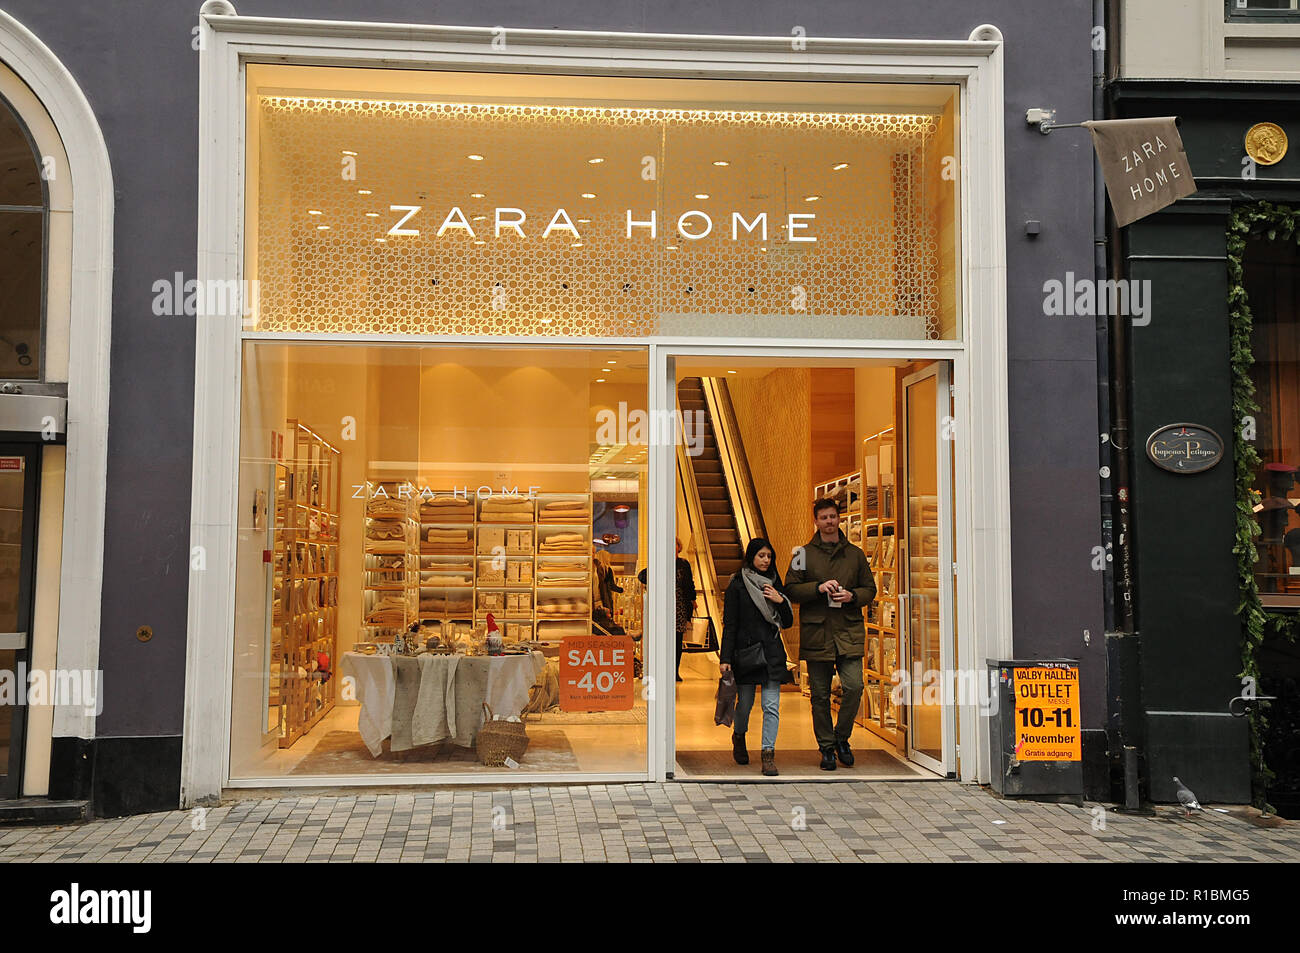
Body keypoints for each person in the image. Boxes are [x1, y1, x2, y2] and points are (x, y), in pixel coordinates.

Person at [784, 497, 876, 771]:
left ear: (839, 518)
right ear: (816, 521)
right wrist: (818, 588)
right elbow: (790, 588)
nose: (829, 522)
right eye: (823, 517)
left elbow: (870, 590)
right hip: (817, 632)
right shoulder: (802, 554)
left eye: (833, 517)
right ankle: (826, 747)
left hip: (848, 630)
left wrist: (853, 595)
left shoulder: (855, 554)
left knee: (854, 687)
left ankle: (841, 738)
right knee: (820, 695)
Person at [719, 538, 794, 776]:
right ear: (751, 556)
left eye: (769, 556)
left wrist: (780, 600)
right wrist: (725, 657)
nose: (765, 560)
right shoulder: (738, 584)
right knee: (746, 705)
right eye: (761, 555)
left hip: (771, 652)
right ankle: (739, 737)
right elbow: (729, 624)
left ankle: (768, 755)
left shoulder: (774, 583)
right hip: (746, 654)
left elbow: (788, 621)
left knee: (771, 706)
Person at [637, 537, 697, 681]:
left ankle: (675, 671)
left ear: (678, 547)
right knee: (661, 640)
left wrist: (693, 600)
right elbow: (642, 576)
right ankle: (660, 670)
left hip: (680, 606)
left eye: (674, 544)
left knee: (677, 641)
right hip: (662, 607)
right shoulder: (659, 562)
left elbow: (690, 584)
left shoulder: (684, 564)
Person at [592, 547, 625, 635]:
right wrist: (622, 590)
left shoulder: (598, 569)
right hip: (605, 598)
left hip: (599, 600)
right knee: (605, 622)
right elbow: (611, 585)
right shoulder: (606, 569)